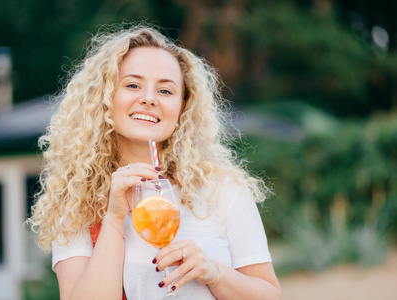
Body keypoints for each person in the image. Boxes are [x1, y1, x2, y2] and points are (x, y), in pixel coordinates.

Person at [28, 23, 281, 300]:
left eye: (165, 91)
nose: (148, 99)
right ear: (105, 97)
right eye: (132, 85)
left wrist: (214, 272)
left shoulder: (222, 189)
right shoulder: (77, 202)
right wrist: (113, 217)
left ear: (182, 106)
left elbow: (270, 295)